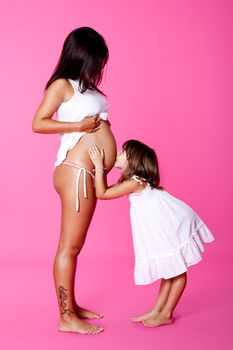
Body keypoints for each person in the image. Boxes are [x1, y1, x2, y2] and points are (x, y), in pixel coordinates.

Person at [32, 27, 117, 335]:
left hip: (90, 172)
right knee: (69, 247)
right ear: (82, 56)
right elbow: (38, 123)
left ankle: (72, 305)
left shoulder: (88, 89)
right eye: (96, 60)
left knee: (75, 246)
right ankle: (66, 316)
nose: (99, 68)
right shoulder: (61, 85)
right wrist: (79, 124)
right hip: (75, 172)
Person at [88, 139, 215, 327]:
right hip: (165, 224)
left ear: (133, 161)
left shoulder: (134, 182)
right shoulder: (134, 181)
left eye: (123, 152)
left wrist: (99, 166)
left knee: (177, 270)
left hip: (172, 223)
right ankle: (157, 310)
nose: (119, 153)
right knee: (169, 268)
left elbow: (103, 194)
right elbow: (104, 190)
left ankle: (167, 314)